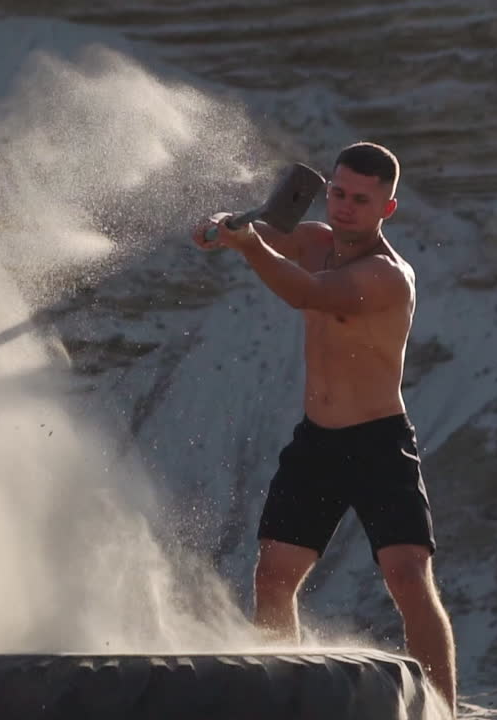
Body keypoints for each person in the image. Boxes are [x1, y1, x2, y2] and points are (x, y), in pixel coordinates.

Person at [192, 142, 457, 715]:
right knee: (274, 576)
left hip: (379, 441)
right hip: (317, 441)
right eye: (338, 192)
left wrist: (249, 244)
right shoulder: (314, 240)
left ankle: (444, 711)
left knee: (408, 576)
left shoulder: (388, 277)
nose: (344, 207)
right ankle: (282, 704)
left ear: (386, 208)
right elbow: (261, 240)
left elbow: (304, 292)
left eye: (361, 200)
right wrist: (220, 229)